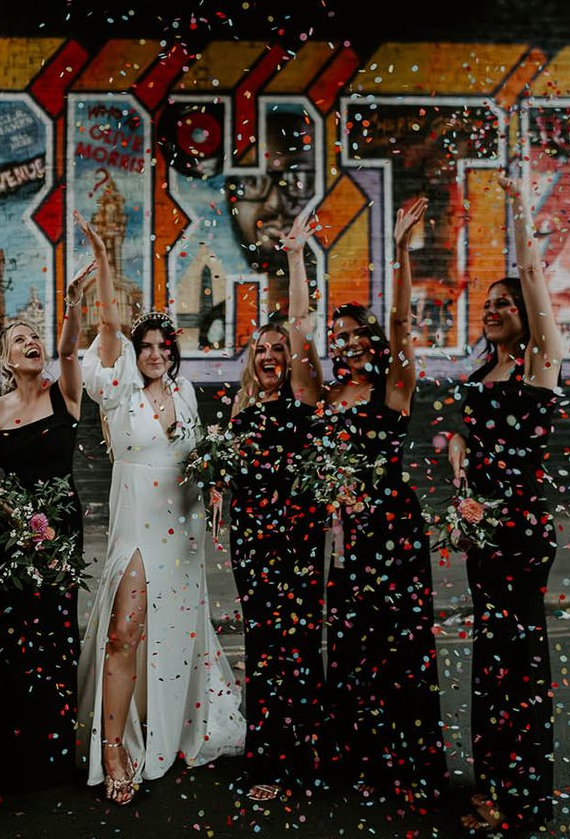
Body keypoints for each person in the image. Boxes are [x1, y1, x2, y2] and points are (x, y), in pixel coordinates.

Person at [74, 209, 244, 805]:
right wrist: (104, 257)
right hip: (136, 528)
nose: (152, 353)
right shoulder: (117, 390)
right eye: (143, 345)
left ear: (172, 352)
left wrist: (215, 482)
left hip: (183, 531)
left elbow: (197, 460)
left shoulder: (188, 394)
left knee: (175, 633)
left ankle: (169, 730)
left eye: (161, 345)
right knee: (124, 633)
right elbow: (109, 322)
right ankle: (113, 747)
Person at [286, 200, 448, 807]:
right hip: (346, 534)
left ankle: (407, 768)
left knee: (399, 643)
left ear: (373, 341)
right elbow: (297, 333)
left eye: (358, 334)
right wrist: (296, 258)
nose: (348, 341)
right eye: (342, 335)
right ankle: (356, 762)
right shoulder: (324, 394)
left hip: (393, 527)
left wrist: (401, 251)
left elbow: (403, 321)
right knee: (353, 644)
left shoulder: (394, 388)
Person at [448, 175, 563, 833]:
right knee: (492, 660)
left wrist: (518, 210)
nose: (492, 309)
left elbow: (535, 280)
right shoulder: (479, 376)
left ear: (526, 314)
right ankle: (493, 780)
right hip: (484, 534)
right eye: (487, 303)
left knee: (518, 663)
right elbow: (473, 442)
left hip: (521, 533)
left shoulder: (538, 364)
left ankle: (520, 795)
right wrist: (460, 461)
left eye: (505, 303)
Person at [0, 258, 95, 794]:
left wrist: (72, 305)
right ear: (6, 358)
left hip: (60, 534)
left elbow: (70, 351)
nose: (32, 343)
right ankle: (7, 753)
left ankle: (52, 755)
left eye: (34, 338)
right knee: (12, 638)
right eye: (19, 339)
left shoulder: (64, 394)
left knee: (55, 635)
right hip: (13, 540)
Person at [225, 323, 323, 801]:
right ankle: (265, 761)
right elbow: (230, 476)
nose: (268, 356)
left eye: (278, 349)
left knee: (298, 647)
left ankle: (302, 762)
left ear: (292, 358)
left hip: (296, 545)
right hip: (249, 543)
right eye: (260, 349)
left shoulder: (306, 404)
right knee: (262, 648)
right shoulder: (240, 411)